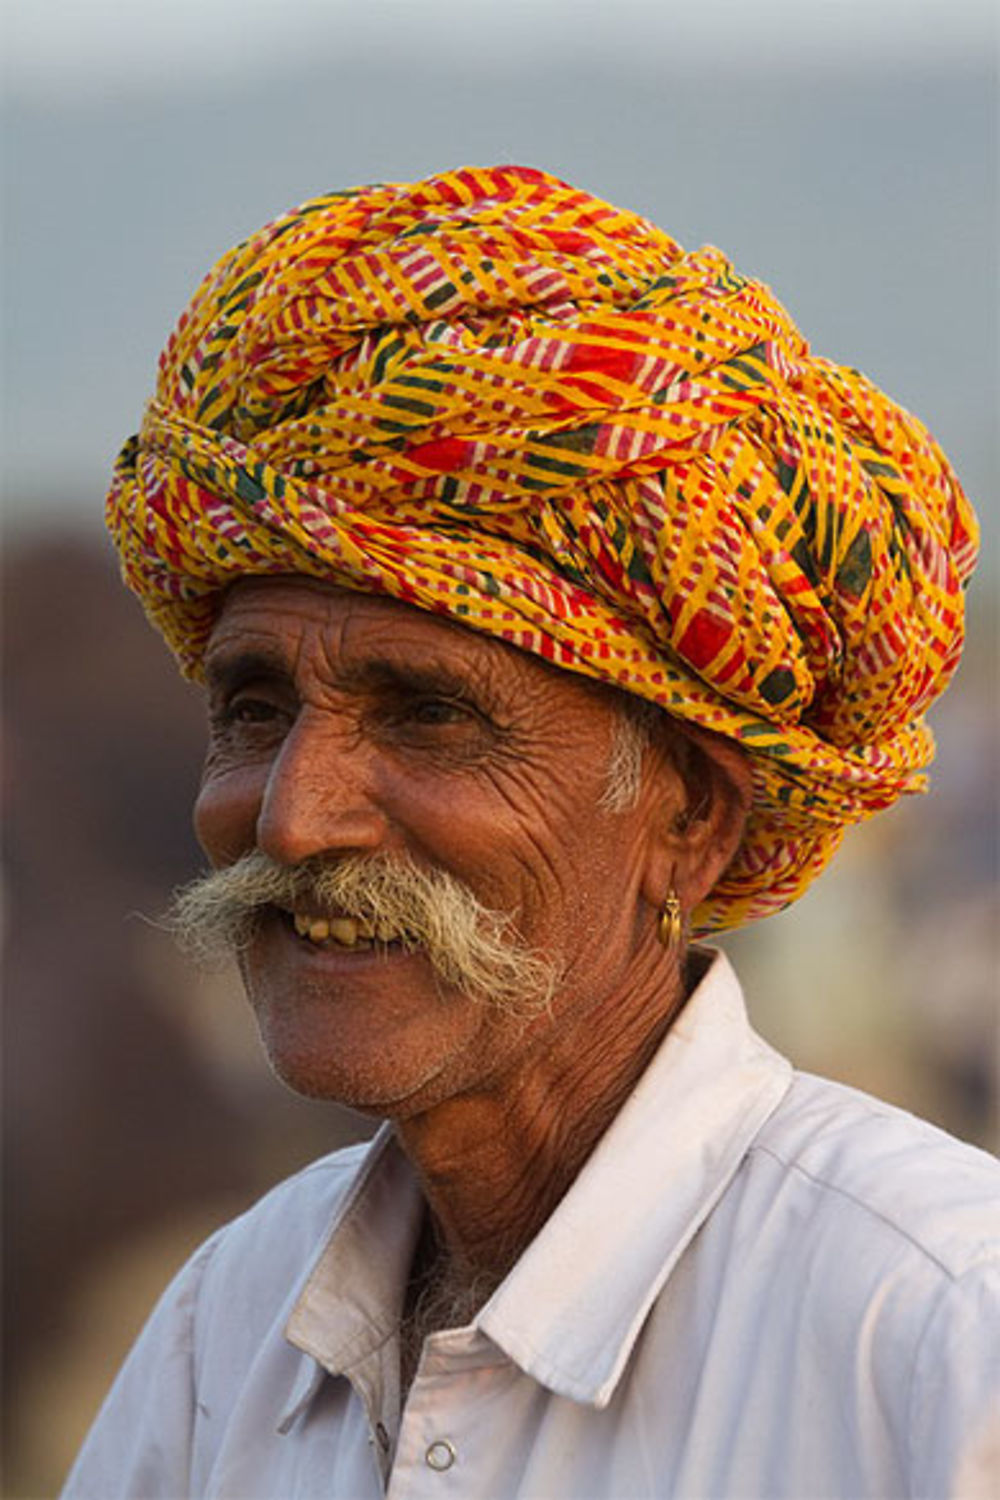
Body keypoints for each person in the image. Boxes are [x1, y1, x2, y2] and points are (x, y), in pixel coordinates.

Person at [63, 165, 997, 1499]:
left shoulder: (940, 1338)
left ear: (693, 819)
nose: (293, 815)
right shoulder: (228, 1332)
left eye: (430, 716)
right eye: (254, 708)